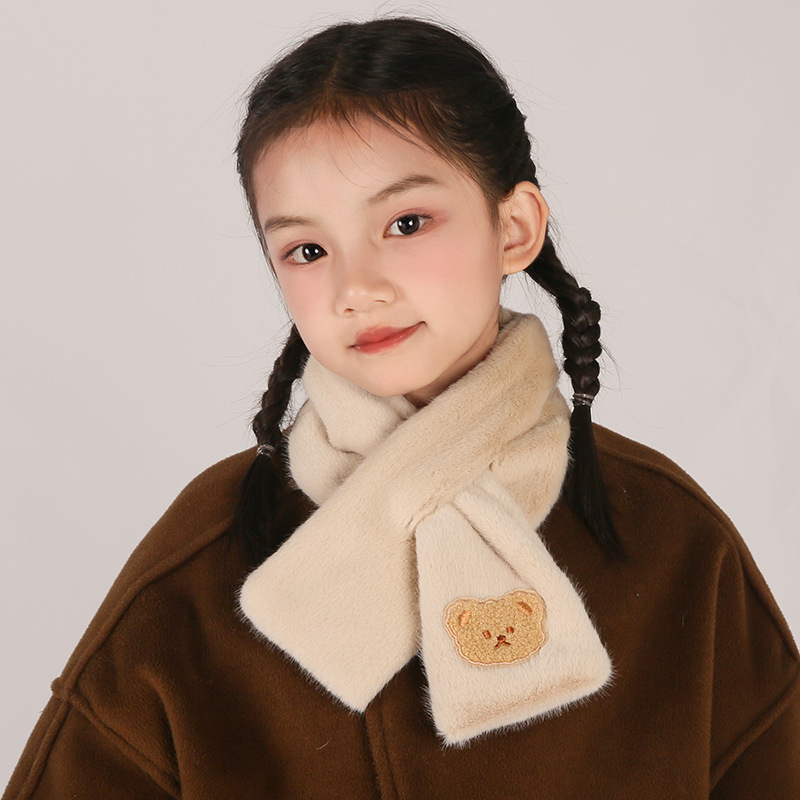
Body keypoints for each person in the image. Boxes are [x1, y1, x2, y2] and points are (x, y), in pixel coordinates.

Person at [4, 17, 798, 800]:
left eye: (406, 223)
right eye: (307, 250)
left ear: (515, 227)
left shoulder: (671, 540)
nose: (356, 288)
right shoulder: (206, 558)